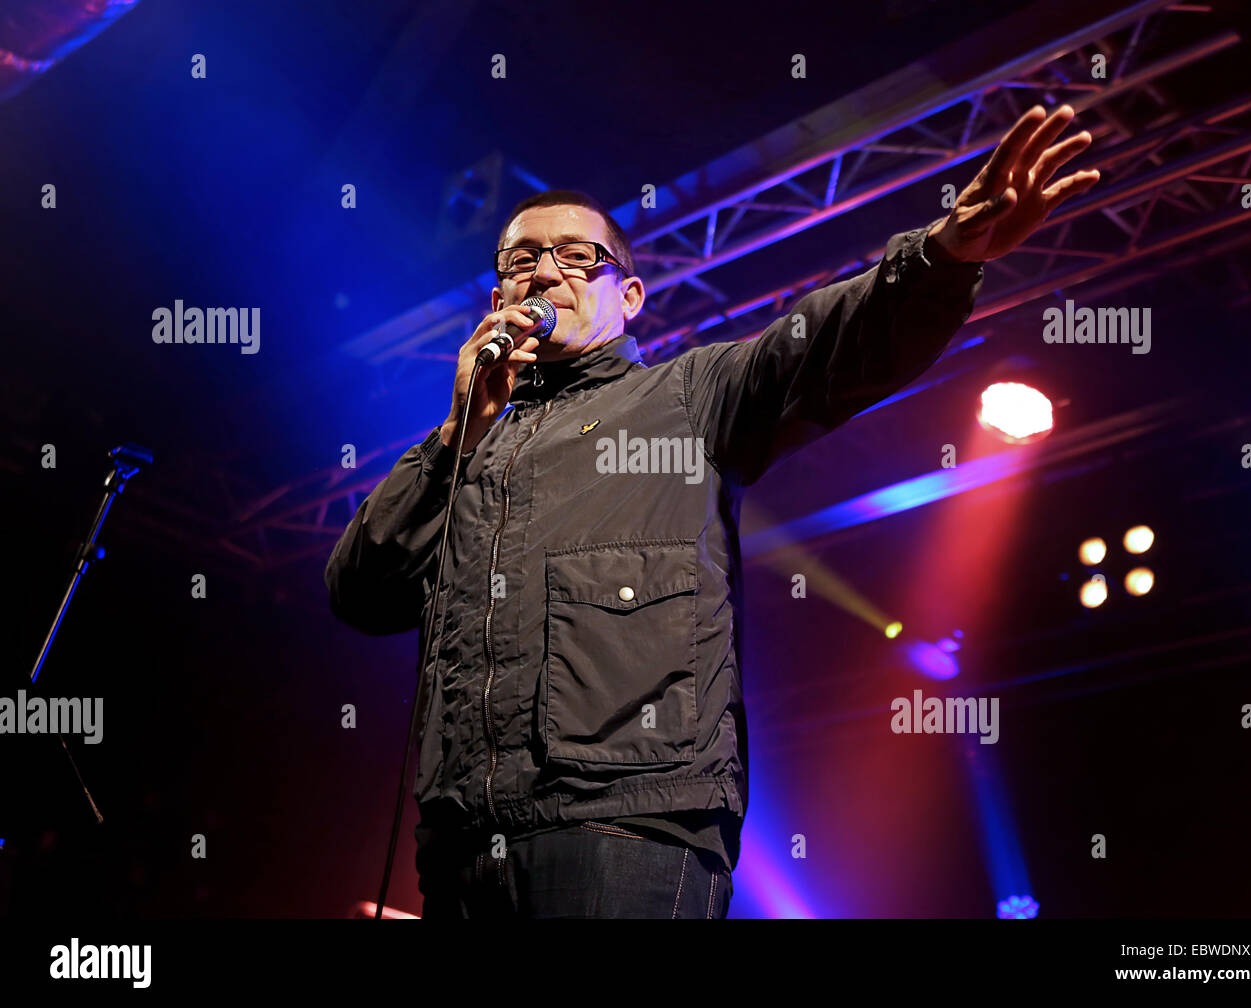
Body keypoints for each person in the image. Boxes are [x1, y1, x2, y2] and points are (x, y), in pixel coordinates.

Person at [324, 104, 1098, 918]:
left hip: (627, 833)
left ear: (628, 296)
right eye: (521, 259)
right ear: (497, 292)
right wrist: (454, 435)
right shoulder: (467, 450)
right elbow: (358, 589)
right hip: (461, 851)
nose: (544, 273)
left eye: (573, 255)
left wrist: (943, 255)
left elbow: (828, 343)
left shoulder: (686, 397)